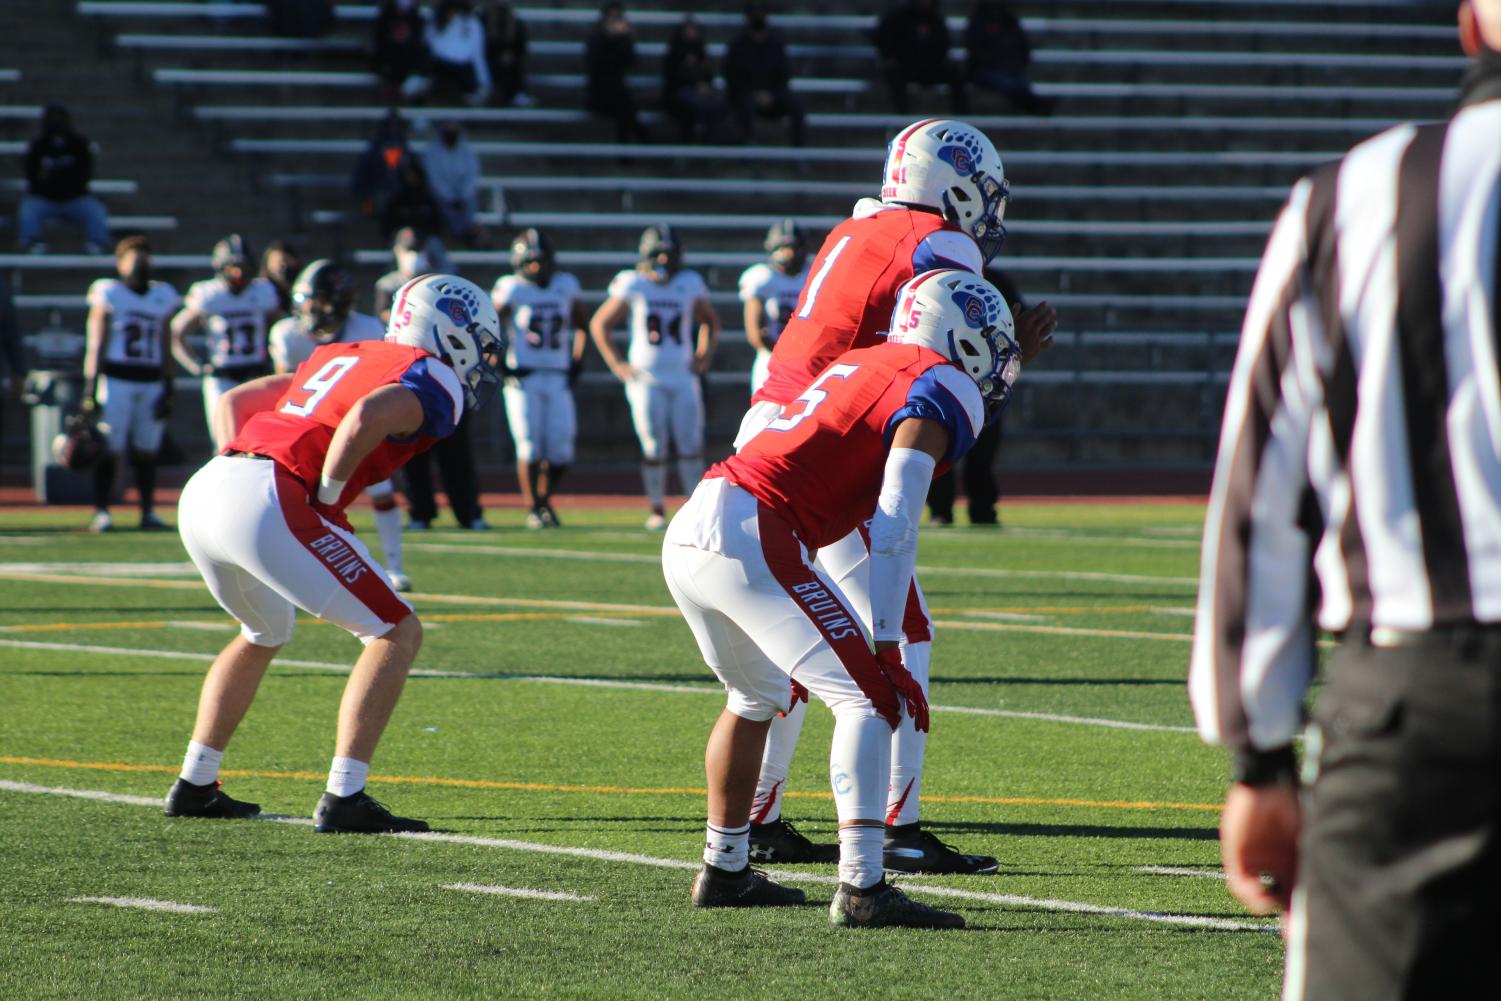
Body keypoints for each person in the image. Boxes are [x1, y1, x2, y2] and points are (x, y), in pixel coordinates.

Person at [1189, 3, 1501, 996]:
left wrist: (1257, 752)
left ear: (1469, 27)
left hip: (1427, 703)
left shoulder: (1360, 193)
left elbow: (1261, 489)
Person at [739, 119, 1055, 870]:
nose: (984, 211)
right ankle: (897, 829)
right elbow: (940, 345)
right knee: (902, 630)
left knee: (793, 646)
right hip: (823, 443)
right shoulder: (938, 243)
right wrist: (1008, 362)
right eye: (978, 193)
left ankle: (758, 819)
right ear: (946, 183)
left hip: (777, 422)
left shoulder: (854, 229)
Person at [665, 268, 1021, 927]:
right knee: (870, 697)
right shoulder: (938, 381)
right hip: (755, 529)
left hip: (697, 521)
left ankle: (725, 868)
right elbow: (893, 521)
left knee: (753, 697)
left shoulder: (867, 360)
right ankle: (861, 887)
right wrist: (885, 642)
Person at [166, 273, 501, 833]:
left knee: (264, 631)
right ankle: (346, 796)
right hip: (271, 494)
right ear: (450, 329)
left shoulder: (344, 352)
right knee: (396, 631)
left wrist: (239, 466)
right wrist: (323, 495)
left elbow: (237, 399)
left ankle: (196, 782)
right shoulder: (431, 374)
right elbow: (370, 415)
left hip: (210, 486)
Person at [269, 260, 411, 592]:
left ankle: (394, 565)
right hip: (303, 429)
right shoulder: (287, 333)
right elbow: (281, 388)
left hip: (352, 424)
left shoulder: (369, 330)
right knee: (292, 499)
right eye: (313, 299)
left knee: (381, 491)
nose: (317, 307)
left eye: (324, 300)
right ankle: (288, 570)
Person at [589, 225, 718, 530]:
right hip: (646, 377)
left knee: (690, 442)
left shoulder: (688, 283)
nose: (663, 259)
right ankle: (657, 509)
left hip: (682, 375)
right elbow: (600, 324)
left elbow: (710, 321)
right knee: (653, 445)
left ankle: (691, 507)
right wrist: (617, 363)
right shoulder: (633, 283)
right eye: (657, 253)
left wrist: (703, 356)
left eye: (668, 254)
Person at [373, 229, 486, 530]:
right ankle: (420, 512)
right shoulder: (389, 286)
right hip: (409, 374)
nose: (414, 255)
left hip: (447, 371)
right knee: (412, 451)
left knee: (456, 451)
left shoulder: (445, 283)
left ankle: (469, 512)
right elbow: (388, 323)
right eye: (408, 249)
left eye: (418, 248)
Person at [80, 236, 181, 534]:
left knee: (147, 450)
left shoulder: (162, 295)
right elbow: (96, 342)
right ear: (120, 263)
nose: (139, 266)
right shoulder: (109, 291)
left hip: (150, 379)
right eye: (133, 260)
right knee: (110, 447)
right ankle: (102, 511)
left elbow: (165, 341)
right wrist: (90, 387)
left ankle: (148, 511)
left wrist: (169, 383)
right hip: (116, 378)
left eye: (144, 260)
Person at [492, 229, 588, 529]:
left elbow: (582, 326)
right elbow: (488, 327)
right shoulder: (512, 288)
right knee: (530, 446)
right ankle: (534, 507)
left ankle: (545, 499)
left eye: (542, 260)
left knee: (561, 450)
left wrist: (576, 361)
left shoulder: (565, 285)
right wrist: (498, 363)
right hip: (523, 377)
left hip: (557, 375)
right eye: (531, 261)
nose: (537, 267)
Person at [926, 266, 1023, 526]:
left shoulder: (995, 280)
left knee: (983, 453)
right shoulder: (935, 281)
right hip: (944, 376)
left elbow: (1016, 324)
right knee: (938, 445)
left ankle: (983, 509)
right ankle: (940, 509)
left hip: (986, 381)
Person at [170, 235, 283, 448]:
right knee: (224, 444)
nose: (240, 273)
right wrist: (197, 366)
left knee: (261, 440)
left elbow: (277, 329)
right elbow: (177, 333)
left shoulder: (263, 291)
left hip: (255, 373)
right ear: (221, 267)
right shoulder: (209, 294)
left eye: (245, 267)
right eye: (234, 267)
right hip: (223, 376)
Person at [18, 104, 110, 255]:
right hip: (44, 200)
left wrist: (59, 179)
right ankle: (31, 242)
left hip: (75, 200)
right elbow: (31, 176)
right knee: (28, 209)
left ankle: (97, 243)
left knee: (96, 210)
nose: (56, 122)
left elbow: (85, 175)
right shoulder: (37, 146)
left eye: (60, 118)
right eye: (52, 118)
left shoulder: (80, 144)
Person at [738, 218, 810, 395]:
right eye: (784, 248)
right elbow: (755, 333)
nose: (790, 254)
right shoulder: (763, 277)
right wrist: (782, 354)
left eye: (794, 248)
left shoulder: (813, 274)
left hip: (805, 360)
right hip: (771, 360)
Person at [724, 5, 805, 147]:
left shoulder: (776, 46)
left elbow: (783, 75)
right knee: (744, 106)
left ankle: (798, 153)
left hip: (773, 96)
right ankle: (747, 149)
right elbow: (732, 78)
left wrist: (771, 95)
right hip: (745, 97)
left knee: (796, 105)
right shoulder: (737, 47)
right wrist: (754, 94)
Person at [874, 0, 968, 116]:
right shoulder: (899, 16)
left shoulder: (935, 18)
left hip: (930, 68)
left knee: (955, 74)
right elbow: (883, 39)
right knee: (895, 77)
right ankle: (902, 118)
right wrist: (891, 57)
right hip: (905, 67)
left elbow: (943, 44)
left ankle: (963, 118)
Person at [966, 1, 1051, 116]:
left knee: (1019, 82)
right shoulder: (978, 21)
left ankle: (1035, 105)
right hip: (986, 69)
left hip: (1010, 68)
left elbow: (1023, 48)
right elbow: (976, 50)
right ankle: (1036, 106)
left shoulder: (1010, 20)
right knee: (1009, 84)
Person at [586, 3, 647, 144]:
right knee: (625, 109)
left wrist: (621, 39)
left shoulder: (624, 41)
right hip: (599, 93)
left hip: (618, 93)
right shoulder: (595, 40)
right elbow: (596, 65)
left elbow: (631, 62)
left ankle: (631, 149)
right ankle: (644, 138)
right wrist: (610, 39)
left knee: (624, 110)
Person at [661, 17, 727, 144]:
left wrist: (704, 85)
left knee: (716, 106)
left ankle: (709, 146)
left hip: (701, 95)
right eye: (688, 30)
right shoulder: (674, 53)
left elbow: (709, 76)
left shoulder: (702, 53)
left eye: (694, 30)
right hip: (679, 95)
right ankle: (686, 148)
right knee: (690, 109)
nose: (691, 33)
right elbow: (672, 79)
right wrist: (694, 84)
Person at [413, 0, 492, 105]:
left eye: (455, 10)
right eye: (450, 10)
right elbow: (428, 47)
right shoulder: (434, 22)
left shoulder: (472, 23)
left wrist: (484, 82)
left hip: (463, 71)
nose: (453, 14)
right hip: (439, 69)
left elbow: (478, 56)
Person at [350, 109, 415, 230]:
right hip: (377, 194)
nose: (393, 131)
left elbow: (414, 177)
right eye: (390, 126)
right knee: (383, 201)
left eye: (396, 127)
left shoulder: (405, 151)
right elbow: (360, 179)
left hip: (401, 198)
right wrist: (367, 195)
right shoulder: (373, 151)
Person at [422, 120, 483, 246]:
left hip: (463, 194)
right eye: (448, 131)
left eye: (454, 131)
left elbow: (471, 175)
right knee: (445, 205)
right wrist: (449, 196)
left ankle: (470, 232)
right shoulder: (432, 151)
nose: (451, 134)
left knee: (470, 201)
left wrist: (463, 195)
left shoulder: (467, 151)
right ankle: (460, 234)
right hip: (441, 194)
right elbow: (434, 178)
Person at [371, 0, 428, 103]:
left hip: (408, 63)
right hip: (390, 60)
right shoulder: (385, 18)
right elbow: (379, 41)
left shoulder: (417, 21)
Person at [381, 159, 443, 243]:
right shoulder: (397, 199)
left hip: (424, 238)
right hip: (401, 237)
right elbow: (389, 224)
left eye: (414, 175)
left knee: (434, 243)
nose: (411, 178)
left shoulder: (427, 198)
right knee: (404, 240)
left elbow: (435, 224)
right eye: (408, 175)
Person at [482, 1, 531, 107]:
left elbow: (521, 46)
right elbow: (481, 45)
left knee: (512, 65)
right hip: (489, 58)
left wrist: (510, 53)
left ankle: (515, 93)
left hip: (510, 59)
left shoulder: (516, 23)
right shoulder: (483, 20)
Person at [260, 240, 302, 315]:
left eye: (286, 260)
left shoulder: (302, 286)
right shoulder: (262, 291)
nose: (282, 266)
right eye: (277, 262)